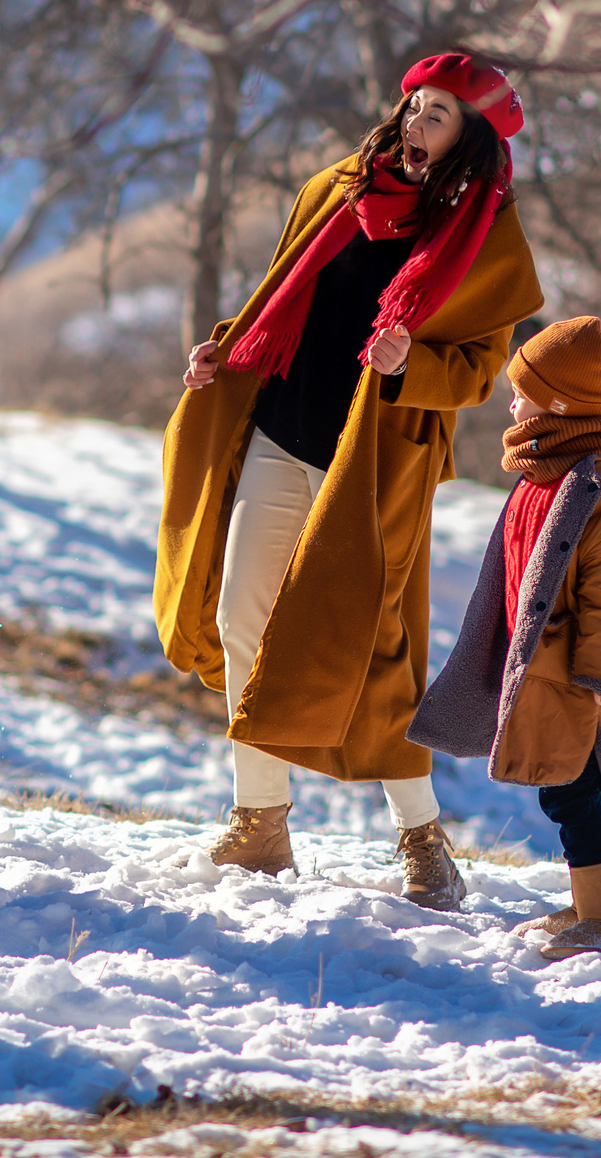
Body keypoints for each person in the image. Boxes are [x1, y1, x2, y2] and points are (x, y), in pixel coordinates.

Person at [155, 52, 543, 910]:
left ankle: (420, 837)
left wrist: (414, 364)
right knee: (239, 614)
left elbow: (479, 371)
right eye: (413, 106)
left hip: (375, 463)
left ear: (472, 136)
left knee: (376, 648)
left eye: (438, 114)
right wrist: (229, 345)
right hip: (281, 430)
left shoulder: (489, 238)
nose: (414, 124)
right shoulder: (342, 186)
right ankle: (260, 821)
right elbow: (283, 292)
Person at [407, 316, 601, 958]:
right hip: (541, 664)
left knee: (572, 791)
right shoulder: (542, 475)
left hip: (575, 673)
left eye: (523, 388)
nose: (510, 397)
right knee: (577, 789)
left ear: (558, 404)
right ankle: (597, 905)